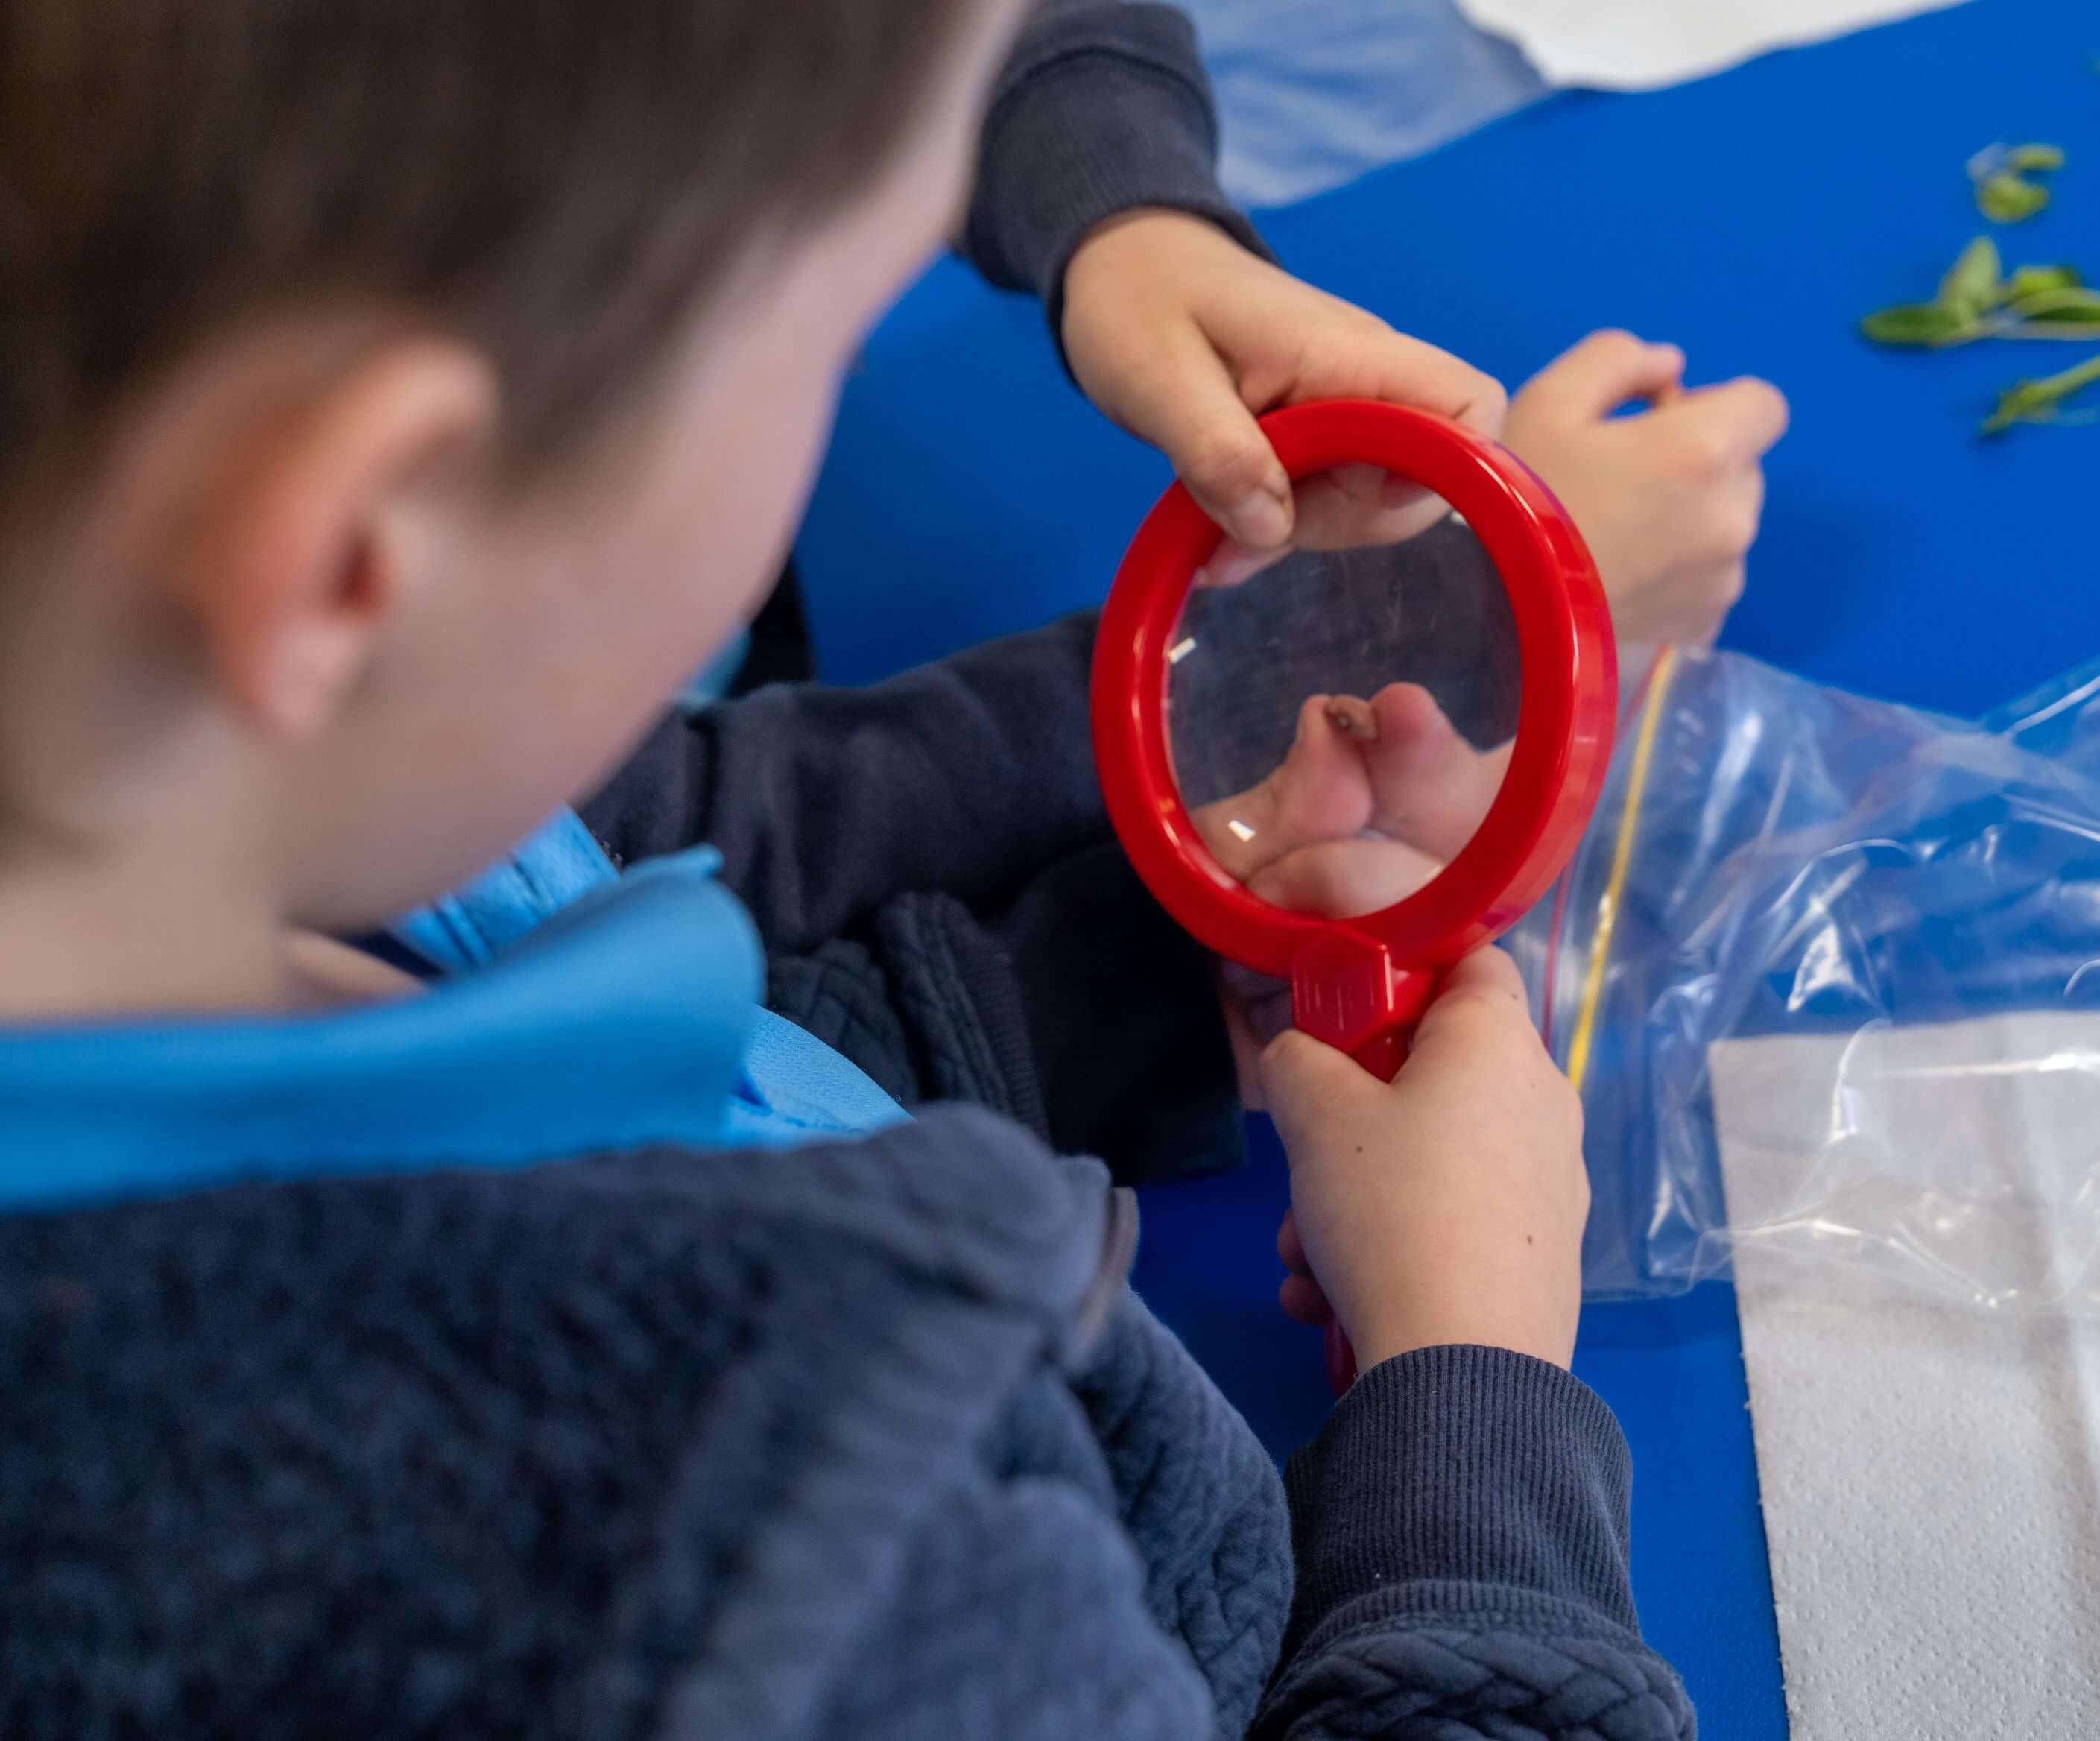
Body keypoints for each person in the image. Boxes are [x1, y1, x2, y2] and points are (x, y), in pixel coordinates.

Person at [0, 6, 1783, 1741]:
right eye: (829, 340)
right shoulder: (811, 1570)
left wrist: (1143, 996)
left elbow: (657, 1074)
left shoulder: (237, 866)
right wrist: (1467, 1385)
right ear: (348, 557)